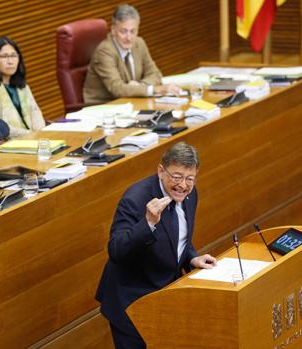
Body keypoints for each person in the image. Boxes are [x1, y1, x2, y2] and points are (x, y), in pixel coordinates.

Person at [95, 142, 217, 348]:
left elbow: (178, 236)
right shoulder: (135, 199)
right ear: (161, 170)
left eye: (190, 179)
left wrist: (191, 257)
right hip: (131, 301)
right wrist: (148, 223)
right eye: (176, 177)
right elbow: (116, 250)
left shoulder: (189, 194)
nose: (183, 185)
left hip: (165, 297)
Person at [83, 4, 180, 104]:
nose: (129, 38)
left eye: (133, 31)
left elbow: (155, 73)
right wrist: (154, 89)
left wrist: (141, 86)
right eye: (123, 31)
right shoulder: (104, 52)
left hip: (130, 103)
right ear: (113, 30)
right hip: (104, 107)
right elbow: (117, 89)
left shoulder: (139, 43)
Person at [0, 36, 45, 138]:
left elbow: (35, 112)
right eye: (4, 56)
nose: (10, 61)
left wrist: (41, 134)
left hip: (32, 139)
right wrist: (29, 134)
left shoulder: (20, 84)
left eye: (14, 56)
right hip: (6, 143)